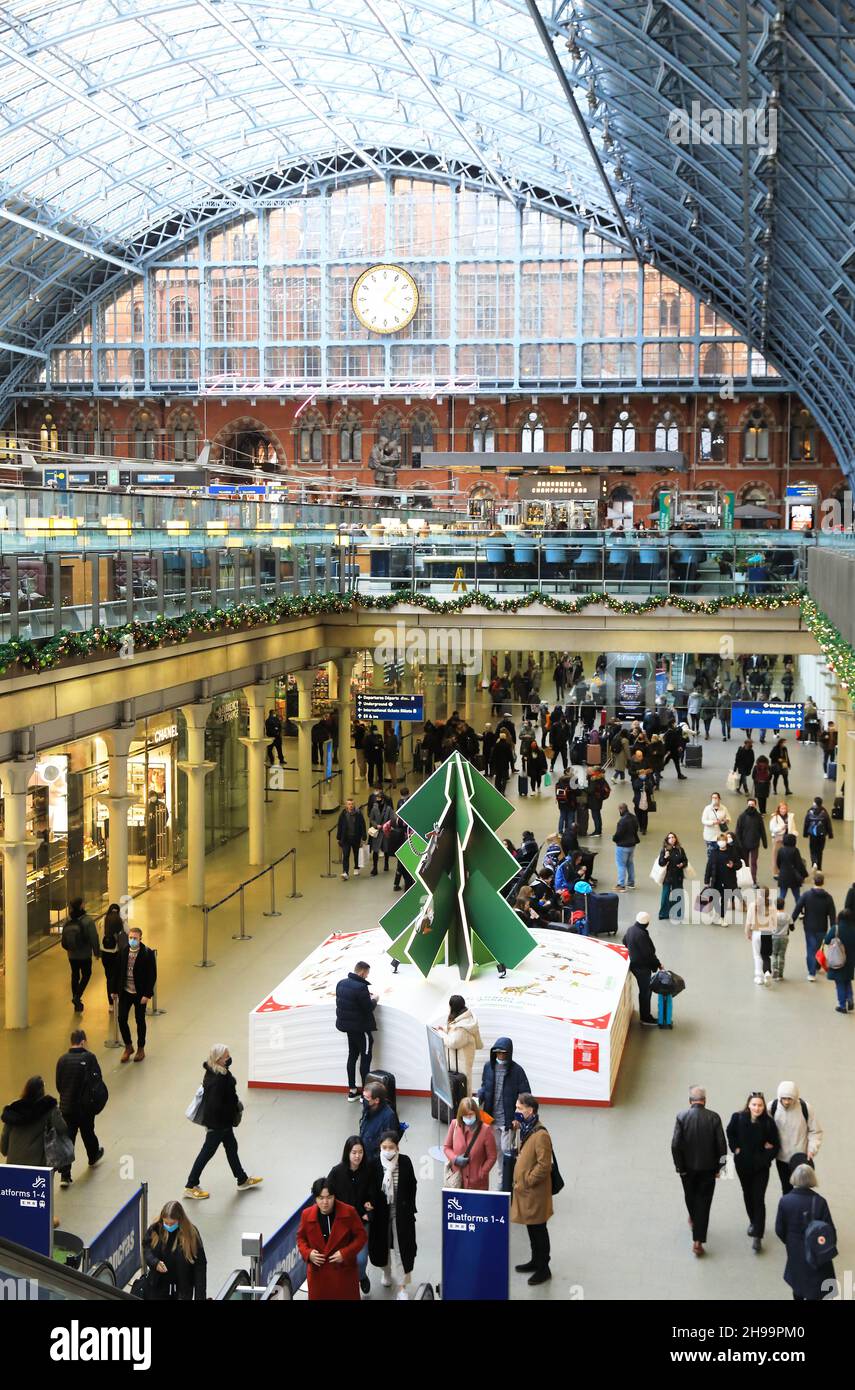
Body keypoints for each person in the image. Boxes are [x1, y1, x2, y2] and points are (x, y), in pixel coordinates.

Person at [184, 1044, 262, 1200]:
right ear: (218, 1059)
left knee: (232, 1147)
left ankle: (242, 1179)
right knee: (207, 1153)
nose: (229, 1058)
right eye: (226, 1056)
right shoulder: (218, 1080)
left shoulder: (217, 1072)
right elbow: (216, 1105)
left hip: (223, 1123)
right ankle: (190, 1186)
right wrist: (232, 1110)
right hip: (218, 1124)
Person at [671, 1086, 727, 1256]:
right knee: (704, 1202)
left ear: (690, 1101)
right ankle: (698, 1240)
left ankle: (694, 1218)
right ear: (705, 1100)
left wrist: (680, 1167)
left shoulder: (681, 1116)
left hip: (687, 1169)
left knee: (690, 1196)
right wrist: (722, 1170)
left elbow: (675, 1145)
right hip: (708, 1170)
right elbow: (722, 1146)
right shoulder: (714, 1117)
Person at [297, 1176, 367, 1302]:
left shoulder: (349, 1212)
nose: (325, 1202)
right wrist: (308, 1254)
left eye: (329, 1197)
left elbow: (361, 1237)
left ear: (334, 1196)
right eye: (321, 1198)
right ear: (315, 1199)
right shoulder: (306, 1215)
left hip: (344, 1273)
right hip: (319, 1276)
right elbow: (301, 1239)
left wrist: (345, 1253)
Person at [726, 1093, 780, 1253]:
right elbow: (730, 1132)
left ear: (764, 1107)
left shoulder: (769, 1123)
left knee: (758, 1198)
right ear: (748, 1105)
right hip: (743, 1165)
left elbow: (775, 1145)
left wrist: (765, 1159)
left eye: (760, 1105)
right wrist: (735, 1149)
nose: (757, 1107)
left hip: (761, 1169)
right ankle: (753, 1221)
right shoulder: (738, 1118)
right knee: (747, 1194)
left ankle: (758, 1235)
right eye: (754, 1104)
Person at [510, 1093, 553, 1286]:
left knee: (539, 1229)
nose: (516, 1111)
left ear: (530, 1110)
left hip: (534, 1192)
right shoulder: (526, 1128)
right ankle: (535, 1261)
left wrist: (527, 1180)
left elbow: (545, 1165)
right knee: (531, 1226)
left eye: (520, 1108)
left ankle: (544, 1268)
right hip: (527, 1193)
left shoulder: (541, 1135)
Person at [775, 1164, 837, 1301]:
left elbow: (779, 1229)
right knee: (817, 1287)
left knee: (797, 1285)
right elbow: (830, 1231)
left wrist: (790, 1241)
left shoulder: (785, 1201)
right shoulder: (820, 1202)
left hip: (794, 1248)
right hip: (815, 1250)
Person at [368, 1131, 417, 1300]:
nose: (388, 1150)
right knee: (381, 1247)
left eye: (391, 1147)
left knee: (401, 1249)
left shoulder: (405, 1162)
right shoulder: (374, 1164)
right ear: (380, 1147)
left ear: (397, 1147)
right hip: (381, 1216)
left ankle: (402, 1287)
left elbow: (412, 1185)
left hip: (401, 1215)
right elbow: (370, 1189)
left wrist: (410, 1208)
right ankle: (386, 1272)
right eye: (384, 1147)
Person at [477, 1038, 531, 1191]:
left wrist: (518, 1118)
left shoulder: (517, 1071)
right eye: (497, 1053)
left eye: (503, 1053)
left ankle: (504, 1186)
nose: (500, 1056)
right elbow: (484, 1087)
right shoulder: (488, 1067)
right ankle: (504, 1183)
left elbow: (526, 1096)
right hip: (491, 1120)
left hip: (507, 1123)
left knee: (506, 1155)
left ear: (509, 1053)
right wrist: (478, 1097)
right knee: (495, 1153)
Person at [55, 1029, 105, 1185]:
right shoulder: (89, 1058)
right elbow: (97, 1081)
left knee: (68, 1138)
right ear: (83, 1041)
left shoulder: (62, 1060)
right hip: (84, 1107)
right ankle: (93, 1155)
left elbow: (58, 1084)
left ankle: (65, 1175)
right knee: (88, 1132)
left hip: (66, 1107)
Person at [328, 1136, 376, 1295]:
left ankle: (361, 1276)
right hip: (341, 1224)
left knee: (361, 1259)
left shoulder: (368, 1170)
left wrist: (369, 1211)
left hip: (361, 1224)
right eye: (354, 1152)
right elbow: (328, 1195)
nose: (357, 1156)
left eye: (360, 1152)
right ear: (347, 1153)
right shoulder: (336, 1172)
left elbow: (374, 1194)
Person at [143, 1201, 207, 1300]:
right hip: (158, 1287)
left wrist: (200, 1297)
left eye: (172, 1223)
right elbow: (147, 1249)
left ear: (180, 1220)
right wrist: (155, 1263)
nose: (168, 1226)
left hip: (182, 1290)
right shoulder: (155, 1229)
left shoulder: (191, 1234)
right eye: (166, 1223)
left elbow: (200, 1266)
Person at [1, 1074, 69, 1167]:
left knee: (16, 1182)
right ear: (42, 1090)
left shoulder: (14, 1109)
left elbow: (5, 1135)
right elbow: (62, 1128)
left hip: (14, 1163)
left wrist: (4, 1150)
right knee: (39, 1181)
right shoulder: (48, 1107)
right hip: (38, 1165)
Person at [335, 960, 378, 1102]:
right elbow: (368, 1008)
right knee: (365, 1058)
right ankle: (365, 1094)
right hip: (362, 1029)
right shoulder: (361, 987)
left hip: (348, 1028)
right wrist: (375, 999)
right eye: (366, 974)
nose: (366, 977)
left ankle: (352, 1091)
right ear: (362, 972)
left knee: (352, 1056)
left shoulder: (341, 983)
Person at [112, 924, 155, 1064]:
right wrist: (114, 990)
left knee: (139, 1020)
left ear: (140, 938)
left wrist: (147, 995)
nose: (132, 940)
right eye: (130, 938)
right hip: (126, 992)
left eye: (135, 938)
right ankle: (128, 1046)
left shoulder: (147, 953)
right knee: (121, 1019)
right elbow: (117, 972)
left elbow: (152, 975)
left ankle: (141, 1048)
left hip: (140, 994)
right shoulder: (124, 951)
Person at [771, 1081, 823, 1194]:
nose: (786, 1102)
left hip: (801, 1158)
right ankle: (789, 1210)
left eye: (790, 1099)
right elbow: (763, 1127)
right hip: (781, 1158)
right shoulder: (772, 1107)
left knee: (804, 1190)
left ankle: (803, 1211)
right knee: (786, 1189)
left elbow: (815, 1131)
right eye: (783, 1098)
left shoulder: (805, 1108)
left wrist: (811, 1150)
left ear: (795, 1097)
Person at [443, 1096, 497, 1191]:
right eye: (465, 1115)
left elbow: (492, 1156)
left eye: (471, 1114)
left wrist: (482, 1172)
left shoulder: (486, 1130)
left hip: (477, 1183)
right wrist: (455, 1159)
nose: (468, 1117)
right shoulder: (454, 1125)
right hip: (457, 1180)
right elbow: (447, 1147)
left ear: (476, 1113)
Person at [791, 871, 836, 978]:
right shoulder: (828, 898)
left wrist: (791, 922)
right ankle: (816, 966)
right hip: (822, 927)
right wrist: (834, 929)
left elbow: (797, 908)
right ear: (823, 882)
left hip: (809, 927)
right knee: (818, 948)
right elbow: (832, 916)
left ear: (813, 881)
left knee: (810, 949)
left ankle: (811, 973)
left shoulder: (806, 896)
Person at [61, 896, 101, 1013]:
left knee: (75, 975)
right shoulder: (87, 920)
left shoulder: (67, 920)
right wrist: (96, 952)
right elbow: (94, 937)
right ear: (81, 905)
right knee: (87, 974)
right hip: (84, 954)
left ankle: (77, 1004)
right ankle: (77, 996)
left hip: (71, 954)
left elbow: (64, 937)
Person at [435, 995, 483, 1092]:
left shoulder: (463, 1026)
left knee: (462, 1091)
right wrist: (444, 1029)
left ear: (453, 1007)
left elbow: (454, 1042)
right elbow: (454, 1031)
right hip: (457, 1066)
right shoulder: (462, 1019)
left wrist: (441, 1034)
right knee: (458, 1090)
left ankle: (463, 1107)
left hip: (460, 1067)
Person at [623, 911, 661, 1026]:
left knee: (644, 991)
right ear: (647, 923)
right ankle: (645, 1018)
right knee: (645, 992)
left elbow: (624, 941)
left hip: (633, 965)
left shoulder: (631, 929)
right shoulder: (642, 935)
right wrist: (658, 964)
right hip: (642, 968)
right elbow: (649, 954)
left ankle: (645, 1015)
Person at [823, 905, 855, 1014]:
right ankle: (850, 999)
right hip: (850, 960)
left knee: (840, 982)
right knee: (847, 980)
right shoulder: (853, 929)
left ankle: (842, 1005)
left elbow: (826, 940)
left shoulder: (836, 929)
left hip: (838, 959)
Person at [359, 1080, 399, 1161]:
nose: (364, 1100)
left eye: (367, 1098)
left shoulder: (389, 1117)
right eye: (363, 1096)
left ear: (376, 1100)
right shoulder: (368, 1109)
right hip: (364, 1156)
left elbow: (388, 1146)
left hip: (375, 1162)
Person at [744, 887, 776, 985]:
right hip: (767, 933)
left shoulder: (753, 905)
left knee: (757, 955)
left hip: (756, 933)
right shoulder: (772, 906)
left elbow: (748, 922)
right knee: (765, 955)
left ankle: (759, 977)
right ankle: (767, 972)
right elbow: (774, 924)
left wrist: (747, 933)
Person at [100, 902, 128, 1005]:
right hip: (117, 953)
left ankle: (111, 1003)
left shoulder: (102, 921)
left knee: (109, 978)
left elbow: (100, 937)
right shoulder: (121, 921)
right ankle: (118, 998)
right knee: (118, 976)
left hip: (105, 954)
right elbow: (128, 932)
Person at [735, 797, 767, 885]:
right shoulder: (742, 816)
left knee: (753, 863)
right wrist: (738, 843)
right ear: (747, 805)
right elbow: (737, 831)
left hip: (755, 844)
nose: (751, 806)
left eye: (752, 805)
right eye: (749, 805)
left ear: (755, 805)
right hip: (744, 845)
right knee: (745, 863)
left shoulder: (758, 817)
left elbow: (762, 830)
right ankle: (744, 879)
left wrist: (765, 842)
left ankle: (753, 880)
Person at [657, 832, 688, 922]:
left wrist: (682, 864)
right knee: (665, 895)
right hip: (667, 877)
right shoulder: (665, 850)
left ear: (676, 839)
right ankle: (663, 914)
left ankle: (678, 914)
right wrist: (666, 857)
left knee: (678, 895)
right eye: (670, 837)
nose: (672, 839)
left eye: (673, 837)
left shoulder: (680, 850)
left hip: (678, 876)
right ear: (667, 840)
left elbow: (685, 861)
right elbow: (661, 863)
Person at [336, 797, 367, 880]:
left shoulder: (358, 814)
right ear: (346, 805)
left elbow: (362, 825)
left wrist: (364, 836)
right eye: (349, 804)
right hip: (346, 838)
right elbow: (340, 826)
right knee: (345, 855)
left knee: (356, 853)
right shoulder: (343, 814)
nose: (351, 806)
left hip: (356, 837)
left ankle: (356, 867)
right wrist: (338, 837)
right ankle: (345, 872)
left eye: (352, 804)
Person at [776, 833, 808, 911]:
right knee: (797, 895)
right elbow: (799, 864)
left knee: (782, 895)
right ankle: (800, 911)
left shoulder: (781, 850)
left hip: (783, 875)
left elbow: (778, 862)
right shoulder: (795, 850)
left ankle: (778, 909)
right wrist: (804, 874)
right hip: (794, 877)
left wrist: (782, 869)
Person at [612, 802, 640, 893]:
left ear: (620, 809)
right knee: (630, 863)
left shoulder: (622, 821)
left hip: (622, 846)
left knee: (621, 864)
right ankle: (631, 883)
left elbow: (618, 834)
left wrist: (614, 839)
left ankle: (621, 885)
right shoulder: (634, 817)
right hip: (632, 844)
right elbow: (636, 829)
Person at [701, 793, 731, 873]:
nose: (714, 799)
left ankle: (720, 871)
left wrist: (726, 820)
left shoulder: (724, 808)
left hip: (720, 836)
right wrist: (713, 822)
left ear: (719, 799)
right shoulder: (707, 808)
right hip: (709, 836)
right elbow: (703, 820)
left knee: (721, 854)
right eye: (713, 798)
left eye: (716, 798)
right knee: (711, 856)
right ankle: (711, 873)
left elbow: (728, 818)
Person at [367, 788, 394, 876]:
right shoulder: (374, 808)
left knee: (386, 849)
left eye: (379, 798)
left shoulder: (389, 809)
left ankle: (386, 863)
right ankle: (375, 868)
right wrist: (376, 825)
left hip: (385, 832)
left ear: (383, 799)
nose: (377, 800)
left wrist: (386, 826)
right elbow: (371, 819)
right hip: (377, 832)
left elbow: (391, 819)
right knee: (375, 850)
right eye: (377, 798)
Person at [803, 796, 833, 871]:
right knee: (820, 851)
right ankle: (819, 868)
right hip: (822, 835)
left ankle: (814, 863)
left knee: (812, 850)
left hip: (812, 835)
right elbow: (828, 823)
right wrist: (830, 834)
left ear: (815, 803)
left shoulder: (810, 811)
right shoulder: (824, 812)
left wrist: (805, 834)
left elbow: (806, 823)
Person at [769, 801, 797, 876]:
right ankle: (776, 872)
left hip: (788, 839)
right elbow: (772, 829)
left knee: (787, 856)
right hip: (777, 839)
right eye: (782, 808)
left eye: (785, 808)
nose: (783, 810)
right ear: (779, 809)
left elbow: (793, 827)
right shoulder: (775, 817)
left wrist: (794, 833)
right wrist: (781, 828)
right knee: (776, 855)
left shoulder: (790, 816)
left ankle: (785, 871)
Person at [771, 896, 794, 980]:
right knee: (782, 955)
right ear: (784, 905)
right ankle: (780, 974)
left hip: (774, 937)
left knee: (774, 954)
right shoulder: (788, 916)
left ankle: (774, 969)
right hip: (784, 937)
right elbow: (792, 928)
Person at [491, 729, 515, 796]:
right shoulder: (507, 746)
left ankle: (498, 789)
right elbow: (510, 757)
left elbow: (493, 755)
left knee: (498, 778)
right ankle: (503, 791)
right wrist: (512, 767)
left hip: (497, 765)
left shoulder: (496, 745)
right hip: (505, 765)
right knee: (504, 779)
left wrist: (492, 764)